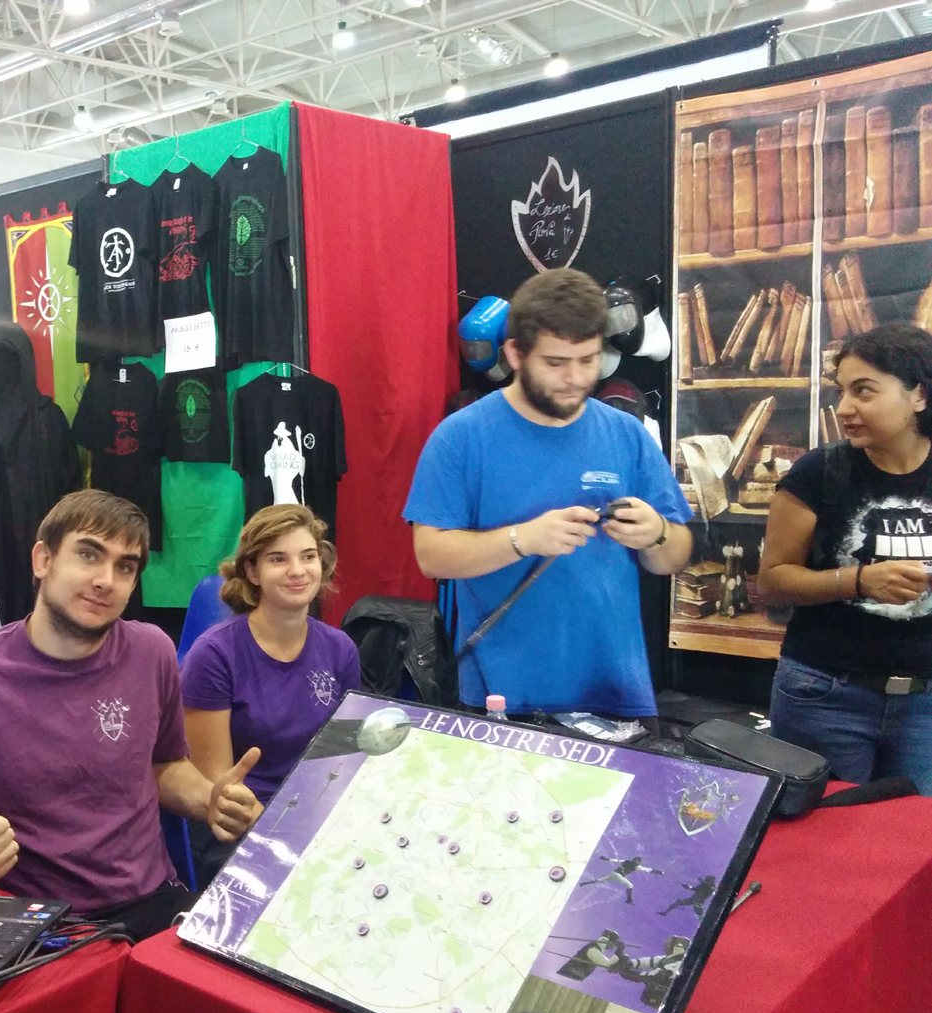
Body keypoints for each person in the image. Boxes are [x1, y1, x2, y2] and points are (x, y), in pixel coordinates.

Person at [0, 490, 265, 941]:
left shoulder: (152, 652)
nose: (105, 580)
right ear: (43, 560)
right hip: (36, 923)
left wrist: (207, 799)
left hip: (152, 904)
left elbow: (162, 765)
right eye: (89, 555)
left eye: (125, 567)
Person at [405, 268, 693, 716]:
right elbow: (431, 556)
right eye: (555, 363)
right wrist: (524, 539)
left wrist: (656, 533)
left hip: (615, 688)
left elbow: (674, 556)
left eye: (588, 360)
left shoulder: (626, 434)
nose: (574, 378)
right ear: (515, 354)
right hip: (503, 694)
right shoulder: (461, 437)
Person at [759, 324, 932, 793]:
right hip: (824, 694)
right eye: (842, 392)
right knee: (822, 829)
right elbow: (772, 582)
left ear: (918, 394)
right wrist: (858, 580)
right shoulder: (819, 471)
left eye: (864, 391)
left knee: (915, 833)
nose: (844, 408)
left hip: (925, 704)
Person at [179, 504, 360, 886]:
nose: (298, 570)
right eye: (278, 559)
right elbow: (219, 786)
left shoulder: (341, 649)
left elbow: (342, 762)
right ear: (252, 571)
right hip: (239, 826)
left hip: (316, 817)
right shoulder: (213, 655)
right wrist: (281, 831)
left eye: (308, 556)